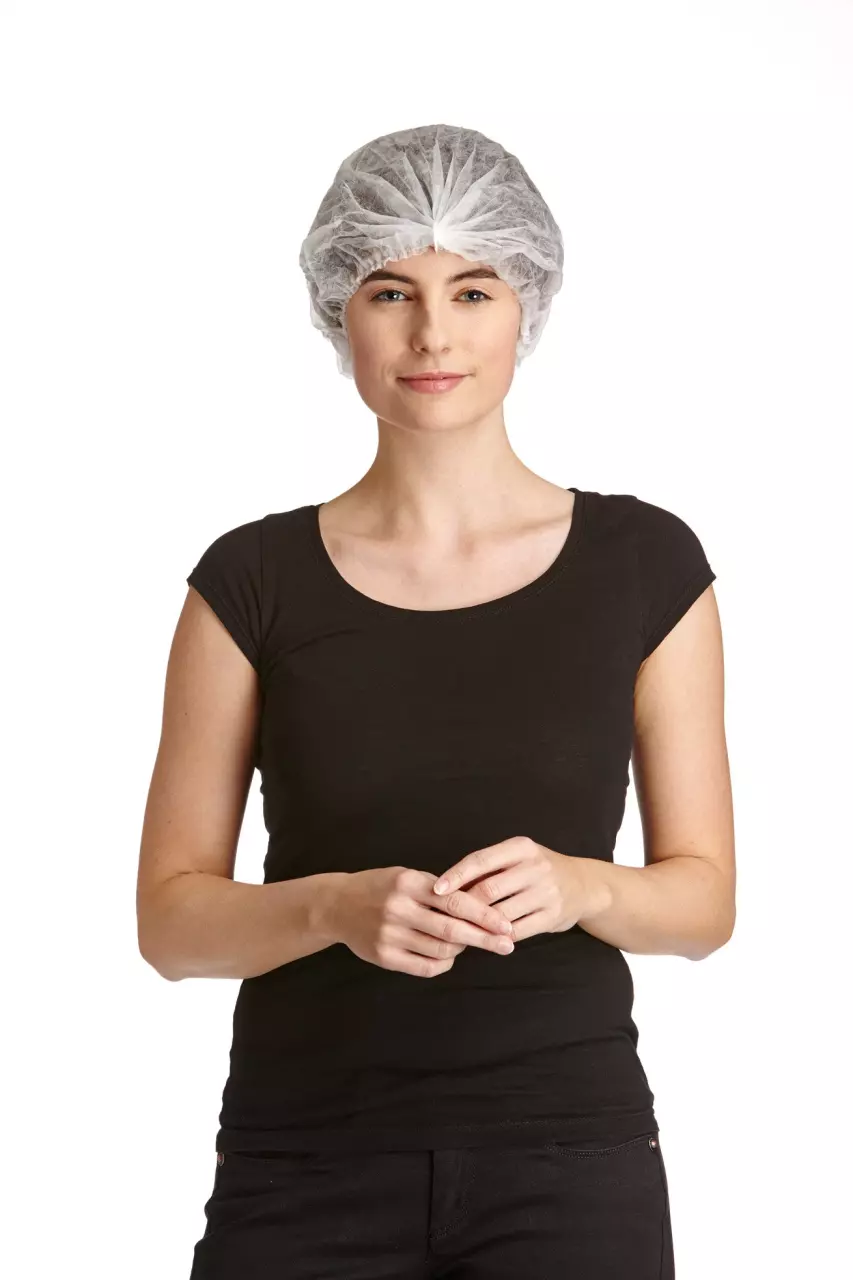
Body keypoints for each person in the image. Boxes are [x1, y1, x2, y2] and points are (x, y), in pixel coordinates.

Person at [137, 122, 735, 1279]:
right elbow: (169, 922)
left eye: (471, 288)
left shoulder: (645, 564)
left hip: (569, 1165)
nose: (431, 333)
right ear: (338, 313)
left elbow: (703, 901)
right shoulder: (250, 581)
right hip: (303, 1163)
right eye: (388, 291)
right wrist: (333, 907)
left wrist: (580, 885)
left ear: (526, 306)